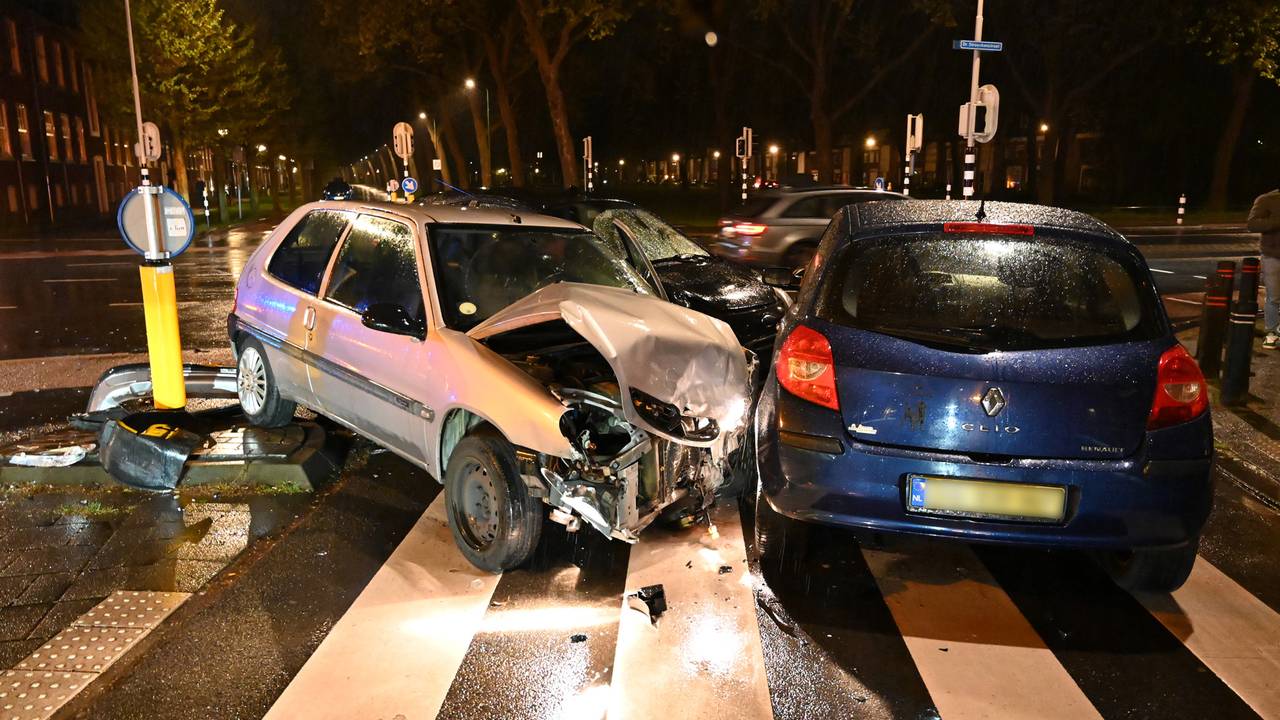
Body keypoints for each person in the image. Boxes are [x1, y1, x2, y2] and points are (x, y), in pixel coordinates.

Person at [1248, 188, 1280, 349]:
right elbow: (1252, 224)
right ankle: (1272, 333)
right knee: (1274, 297)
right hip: (1273, 256)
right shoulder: (1267, 199)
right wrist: (1276, 221)